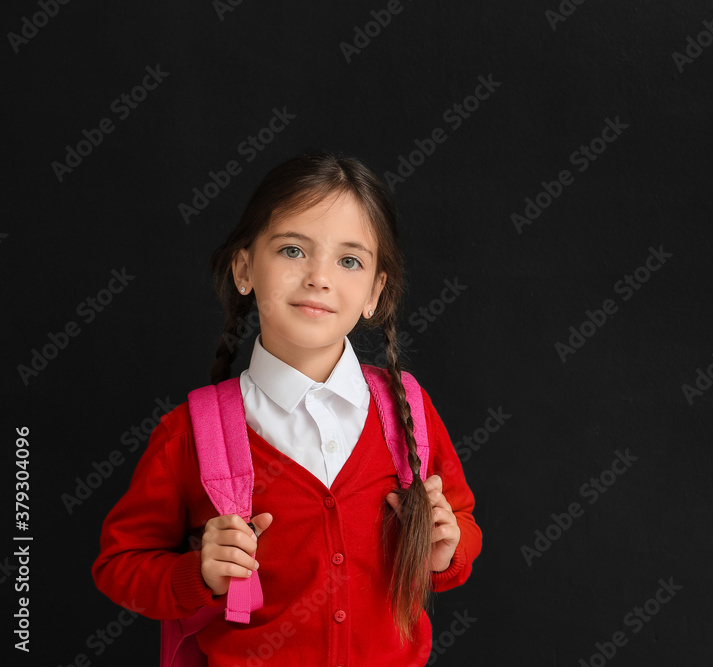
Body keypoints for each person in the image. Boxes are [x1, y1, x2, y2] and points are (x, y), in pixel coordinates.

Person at [92, 152, 482, 665]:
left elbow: (462, 522)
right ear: (245, 268)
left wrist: (448, 549)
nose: (320, 277)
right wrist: (199, 573)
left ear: (375, 292)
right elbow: (119, 565)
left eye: (349, 260)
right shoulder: (190, 432)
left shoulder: (408, 406)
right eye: (294, 250)